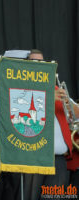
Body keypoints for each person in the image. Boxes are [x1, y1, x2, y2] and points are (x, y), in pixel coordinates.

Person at [24, 49, 79, 200]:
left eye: (41, 62)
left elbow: (77, 113)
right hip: (34, 155)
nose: (38, 65)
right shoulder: (22, 88)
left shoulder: (56, 89)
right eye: (33, 62)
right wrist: (47, 97)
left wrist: (68, 102)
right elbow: (22, 113)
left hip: (58, 158)